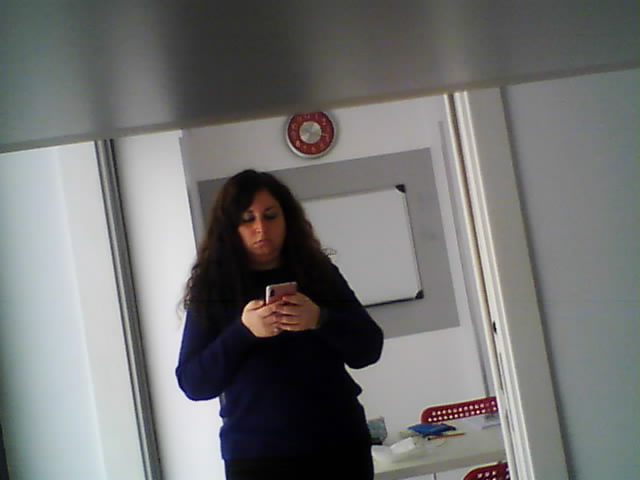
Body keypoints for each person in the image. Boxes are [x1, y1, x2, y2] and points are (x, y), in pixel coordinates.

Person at [176, 169, 384, 480]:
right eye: (247, 219)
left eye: (270, 216)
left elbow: (369, 347)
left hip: (338, 443)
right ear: (231, 228)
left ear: (287, 219)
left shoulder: (317, 272)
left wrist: (319, 319)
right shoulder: (213, 287)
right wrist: (243, 332)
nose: (261, 228)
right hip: (258, 454)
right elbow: (194, 383)